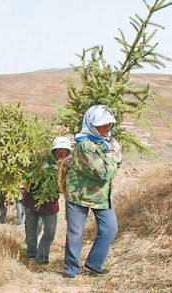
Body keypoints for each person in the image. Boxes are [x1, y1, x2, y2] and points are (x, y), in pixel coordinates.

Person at [63, 105, 122, 278]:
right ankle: (71, 270)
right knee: (75, 233)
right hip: (79, 195)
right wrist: (113, 152)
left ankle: (94, 263)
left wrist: (112, 153)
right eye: (102, 126)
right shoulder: (85, 146)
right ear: (90, 125)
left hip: (101, 196)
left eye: (109, 125)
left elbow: (115, 165)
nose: (106, 129)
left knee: (110, 229)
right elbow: (105, 173)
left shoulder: (104, 141)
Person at [22, 137, 72, 264]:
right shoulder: (41, 163)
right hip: (32, 202)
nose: (62, 153)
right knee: (32, 231)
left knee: (50, 231)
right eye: (59, 150)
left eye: (65, 151)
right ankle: (31, 255)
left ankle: (42, 257)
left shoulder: (67, 167)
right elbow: (29, 177)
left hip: (50, 205)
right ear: (53, 151)